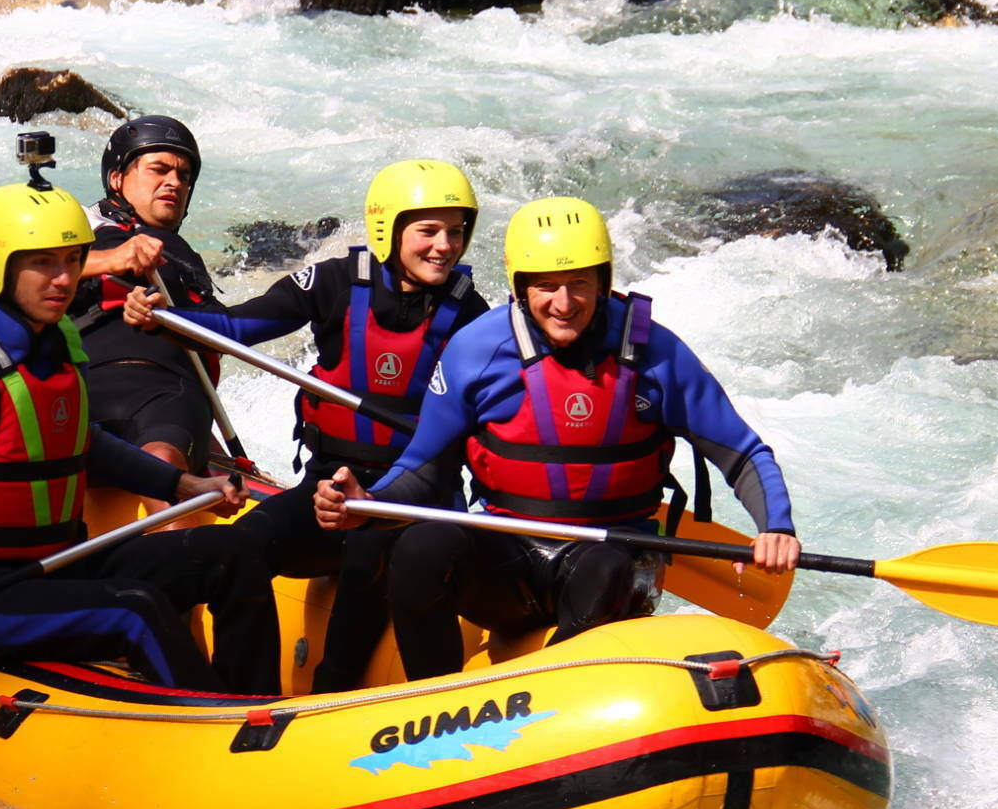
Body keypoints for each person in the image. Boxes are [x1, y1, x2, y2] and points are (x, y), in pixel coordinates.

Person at [315, 197, 803, 683]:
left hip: (609, 559)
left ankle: (562, 690)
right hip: (506, 560)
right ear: (520, 288)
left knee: (608, 566)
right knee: (419, 547)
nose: (564, 304)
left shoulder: (657, 354)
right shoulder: (478, 349)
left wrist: (775, 526)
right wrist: (369, 503)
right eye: (546, 286)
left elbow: (742, 453)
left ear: (603, 282)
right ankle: (434, 699)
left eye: (579, 284)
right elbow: (425, 468)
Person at [0, 179, 281, 696]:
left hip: (56, 565)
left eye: (72, 260)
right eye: (43, 263)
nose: (63, 279)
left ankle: (259, 706)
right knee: (136, 609)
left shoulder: (57, 342)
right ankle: (212, 724)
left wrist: (182, 484)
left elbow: (81, 444)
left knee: (232, 551)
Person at [123, 159, 489, 692]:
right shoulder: (335, 282)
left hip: (411, 503)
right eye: (428, 231)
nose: (444, 246)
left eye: (455, 232)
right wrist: (163, 317)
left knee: (366, 550)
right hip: (326, 487)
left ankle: (330, 692)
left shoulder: (472, 316)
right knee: (240, 548)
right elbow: (237, 326)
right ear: (388, 229)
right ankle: (242, 693)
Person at [67, 115, 227, 472]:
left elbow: (221, 335)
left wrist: (214, 452)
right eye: (159, 169)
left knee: (162, 460)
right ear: (117, 178)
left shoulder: (182, 258)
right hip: (82, 393)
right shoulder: (74, 230)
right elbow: (16, 281)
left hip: (165, 394)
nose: (174, 182)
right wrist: (112, 259)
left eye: (184, 176)